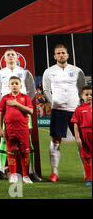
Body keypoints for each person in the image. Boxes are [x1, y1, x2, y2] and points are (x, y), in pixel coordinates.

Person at [42, 44, 86, 182]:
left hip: (75, 110)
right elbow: (46, 90)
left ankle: (87, 173)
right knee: (55, 141)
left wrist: (81, 105)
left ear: (68, 55)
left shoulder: (77, 70)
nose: (61, 55)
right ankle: (54, 172)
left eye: (63, 53)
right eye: (58, 53)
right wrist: (53, 103)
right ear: (54, 56)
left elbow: (82, 89)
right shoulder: (49, 71)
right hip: (58, 110)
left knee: (82, 142)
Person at [0, 49, 37, 180]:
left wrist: (22, 103)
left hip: (23, 112)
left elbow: (32, 90)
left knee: (27, 141)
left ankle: (31, 171)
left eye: (13, 54)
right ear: (4, 59)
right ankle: (1, 170)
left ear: (17, 57)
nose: (11, 57)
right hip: (8, 112)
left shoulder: (24, 72)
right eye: (8, 55)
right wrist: (6, 103)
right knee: (4, 139)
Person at [0, 76, 34, 184]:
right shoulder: (5, 98)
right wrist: (0, 127)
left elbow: (30, 111)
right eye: (12, 83)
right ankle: (13, 175)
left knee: (24, 153)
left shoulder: (25, 97)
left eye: (16, 83)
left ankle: (26, 176)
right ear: (9, 86)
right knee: (11, 152)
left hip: (23, 130)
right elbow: (0, 113)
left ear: (20, 86)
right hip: (9, 130)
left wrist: (17, 104)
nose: (14, 85)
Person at [71, 85, 92, 187]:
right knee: (87, 157)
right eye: (87, 94)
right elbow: (76, 124)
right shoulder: (79, 109)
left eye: (91, 94)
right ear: (82, 96)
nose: (89, 96)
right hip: (85, 134)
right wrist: (77, 137)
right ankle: (88, 178)